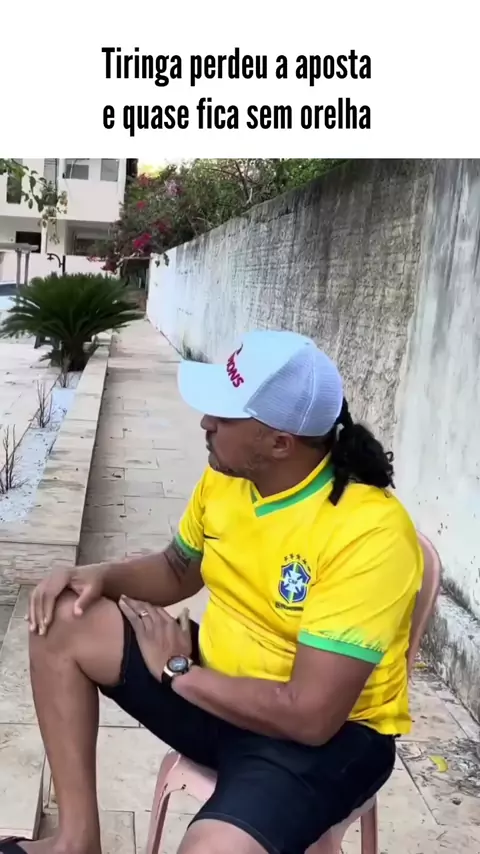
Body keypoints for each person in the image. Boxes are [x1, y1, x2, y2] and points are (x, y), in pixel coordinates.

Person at [2, 329, 423, 854]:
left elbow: (310, 716)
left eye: (224, 416)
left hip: (321, 741)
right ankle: (75, 841)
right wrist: (100, 576)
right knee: (61, 617)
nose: (205, 423)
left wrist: (179, 673)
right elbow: (177, 569)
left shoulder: (370, 533)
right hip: (214, 687)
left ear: (279, 443)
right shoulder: (228, 477)